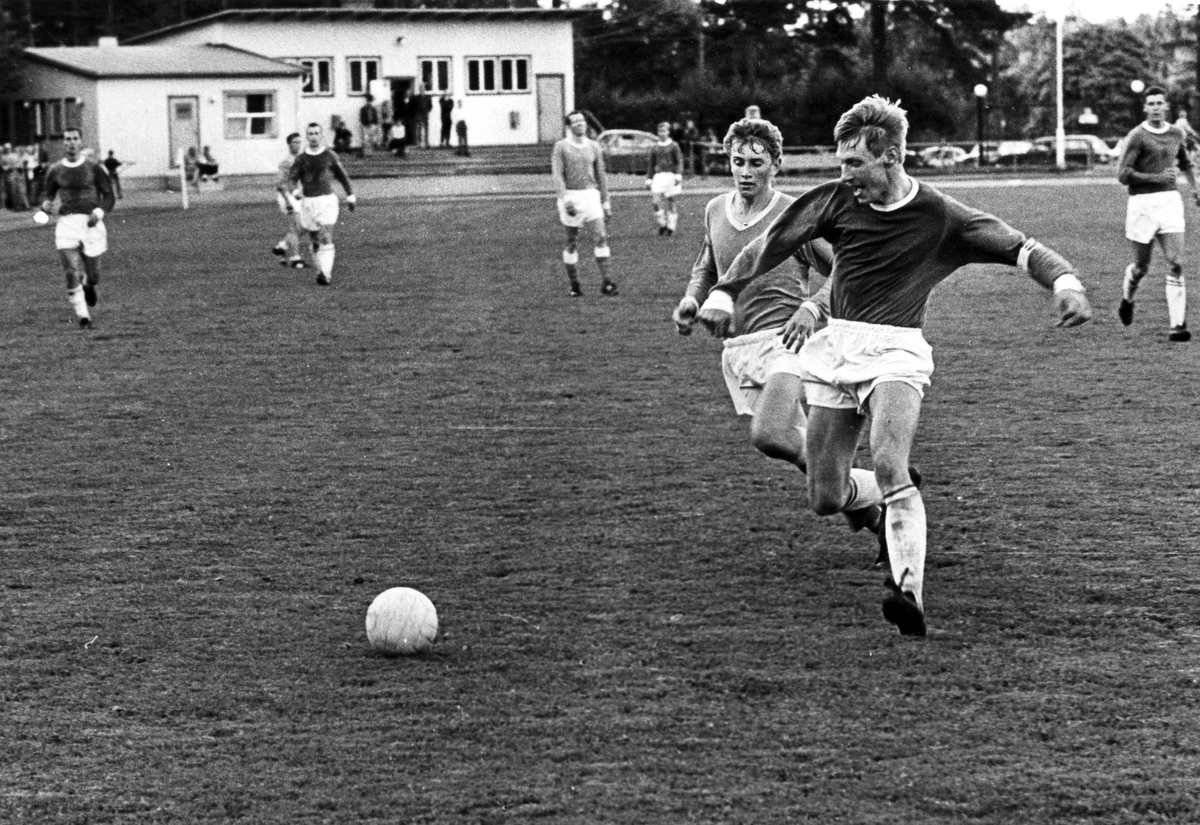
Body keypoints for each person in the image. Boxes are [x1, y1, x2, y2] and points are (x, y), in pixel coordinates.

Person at [696, 95, 1092, 636]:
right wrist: (723, 293)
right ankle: (892, 504)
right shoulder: (836, 199)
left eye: (854, 163)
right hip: (837, 349)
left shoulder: (939, 215)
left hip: (897, 352)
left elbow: (1019, 246)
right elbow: (770, 242)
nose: (844, 174)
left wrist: (1065, 282)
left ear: (891, 157)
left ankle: (908, 593)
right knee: (825, 497)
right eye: (840, 162)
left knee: (888, 460)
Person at [673, 117, 891, 549]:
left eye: (756, 163)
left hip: (788, 345)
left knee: (770, 435)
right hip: (740, 349)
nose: (745, 171)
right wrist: (691, 302)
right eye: (738, 161)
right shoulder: (715, 209)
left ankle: (887, 483)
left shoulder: (795, 215)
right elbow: (708, 267)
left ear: (776, 164)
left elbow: (846, 269)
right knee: (799, 450)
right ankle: (879, 520)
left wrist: (812, 308)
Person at [1116, 85, 1200, 342]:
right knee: (1141, 267)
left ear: (1166, 106)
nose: (1155, 107)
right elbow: (1123, 175)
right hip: (1142, 205)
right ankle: (1128, 298)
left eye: (1159, 103)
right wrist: (1156, 177)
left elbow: (1185, 163)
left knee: (1176, 262)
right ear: (1145, 108)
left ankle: (1178, 326)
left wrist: (1195, 188)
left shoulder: (1176, 133)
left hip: (1170, 202)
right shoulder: (1137, 136)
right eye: (1150, 103)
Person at [37, 126, 116, 328]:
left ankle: (89, 285)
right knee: (71, 270)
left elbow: (109, 196)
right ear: (63, 142)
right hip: (67, 223)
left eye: (74, 139)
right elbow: (47, 194)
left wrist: (99, 213)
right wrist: (45, 204)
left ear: (80, 141)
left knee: (94, 274)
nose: (71, 143)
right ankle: (83, 316)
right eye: (67, 139)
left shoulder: (93, 168)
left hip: (90, 223)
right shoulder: (55, 169)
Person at [552, 110, 617, 297]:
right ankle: (575, 283)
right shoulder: (561, 147)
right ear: (569, 126)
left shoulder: (594, 146)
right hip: (572, 196)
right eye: (575, 121)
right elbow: (557, 175)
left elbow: (601, 176)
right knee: (571, 241)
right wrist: (565, 198)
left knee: (601, 237)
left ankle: (607, 282)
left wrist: (606, 202)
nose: (580, 124)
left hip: (591, 196)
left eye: (582, 121)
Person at [287, 122, 356, 286]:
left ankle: (326, 274)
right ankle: (320, 271)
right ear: (307, 136)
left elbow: (342, 176)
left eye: (316, 133)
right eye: (310, 134)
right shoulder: (301, 159)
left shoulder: (330, 155)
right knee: (315, 240)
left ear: (321, 135)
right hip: (308, 202)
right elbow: (292, 178)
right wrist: (295, 191)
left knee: (325, 236)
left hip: (327, 201)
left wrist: (350, 195)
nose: (314, 137)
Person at [272, 131, 305, 269]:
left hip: (297, 196)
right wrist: (287, 201)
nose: (298, 145)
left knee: (304, 226)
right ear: (289, 144)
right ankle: (296, 258)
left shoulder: (301, 160)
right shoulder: (286, 162)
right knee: (295, 227)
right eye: (295, 142)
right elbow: (280, 184)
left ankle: (282, 246)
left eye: (299, 142)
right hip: (287, 196)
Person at [646, 121, 684, 236]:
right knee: (655, 201)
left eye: (664, 131)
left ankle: (671, 226)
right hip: (659, 176)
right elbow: (651, 164)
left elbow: (679, 161)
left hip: (670, 176)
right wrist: (649, 178)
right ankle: (662, 223)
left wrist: (678, 174)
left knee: (671, 200)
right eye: (660, 131)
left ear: (668, 132)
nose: (662, 133)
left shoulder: (674, 146)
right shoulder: (655, 147)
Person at [415, 83, 433, 149]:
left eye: (423, 88)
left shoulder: (428, 97)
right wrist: (417, 113)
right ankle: (419, 144)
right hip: (419, 115)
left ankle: (426, 143)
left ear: (424, 89)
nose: (422, 90)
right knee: (419, 129)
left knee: (426, 129)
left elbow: (430, 106)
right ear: (419, 90)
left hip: (425, 115)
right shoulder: (417, 98)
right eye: (421, 88)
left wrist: (427, 111)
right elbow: (414, 106)